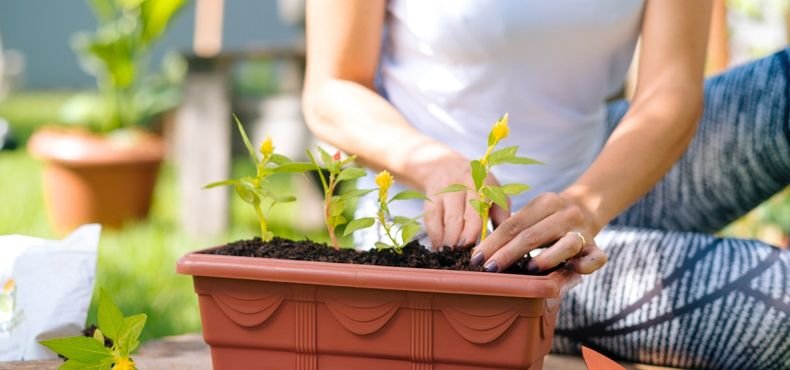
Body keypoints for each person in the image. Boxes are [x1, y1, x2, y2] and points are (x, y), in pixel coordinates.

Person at [301, 1, 790, 369]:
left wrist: (587, 203)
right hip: (458, 239)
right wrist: (433, 165)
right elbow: (331, 89)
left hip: (606, 178)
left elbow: (670, 91)